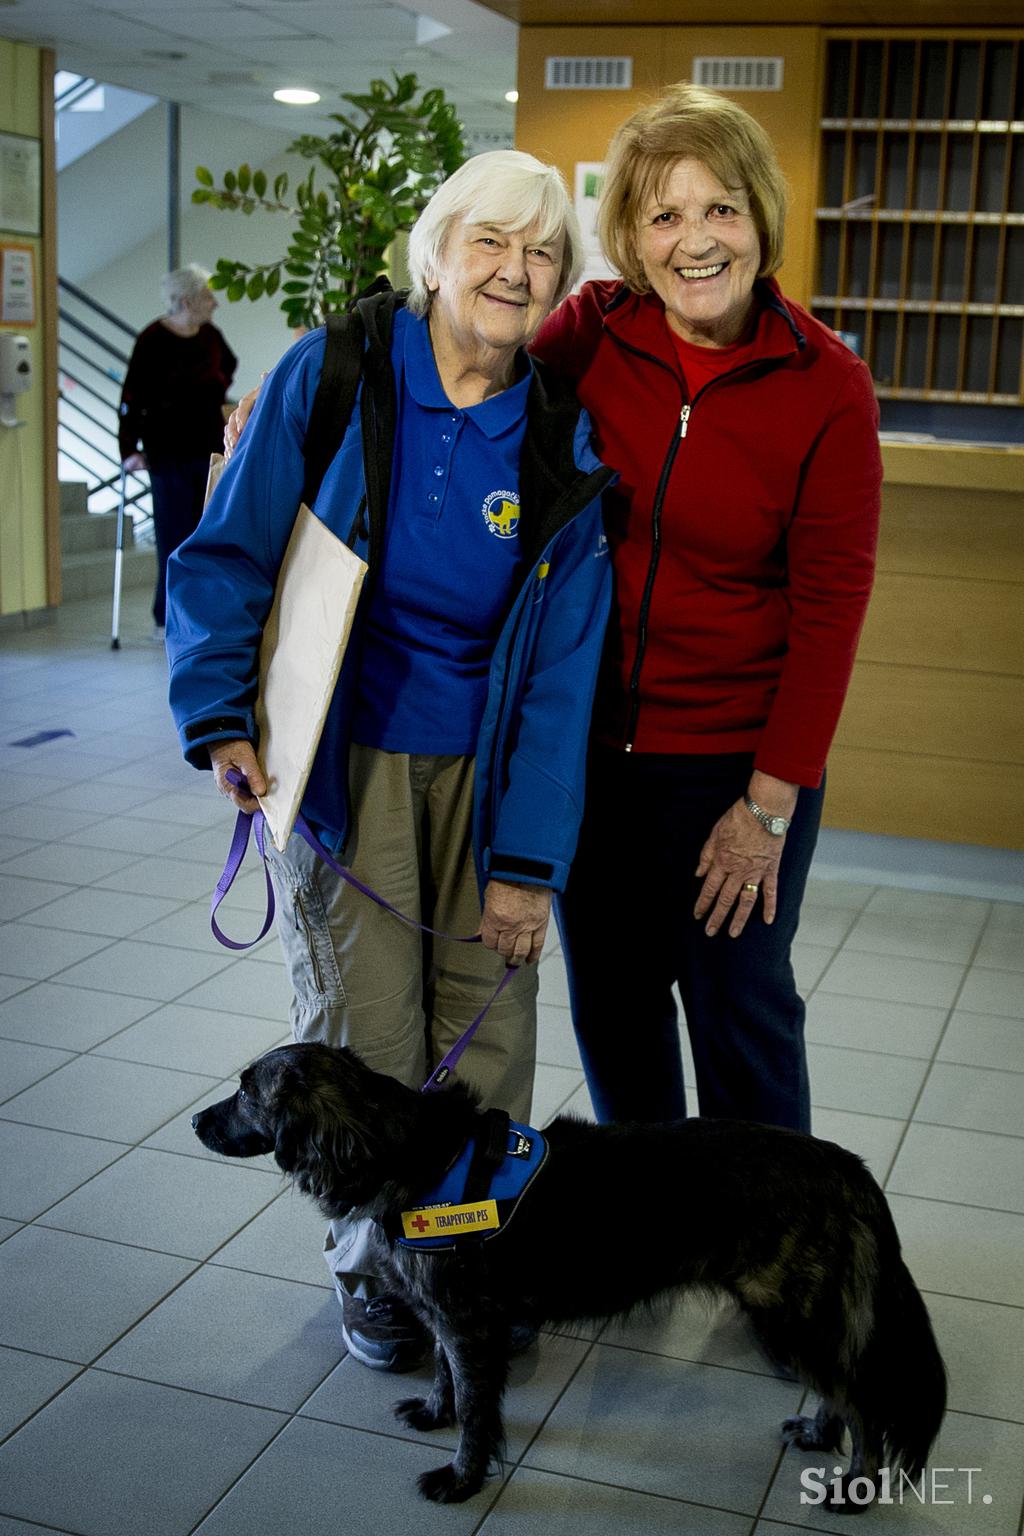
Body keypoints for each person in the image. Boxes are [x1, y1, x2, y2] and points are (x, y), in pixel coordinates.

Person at [225, 85, 881, 1138]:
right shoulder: (590, 333)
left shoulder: (826, 386)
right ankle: (652, 1226)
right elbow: (461, 330)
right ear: (629, 239)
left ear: (760, 218)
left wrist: (767, 805)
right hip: (586, 750)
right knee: (615, 1011)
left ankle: (770, 1235)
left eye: (720, 209)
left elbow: (832, 609)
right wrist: (303, 371)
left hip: (729, 763)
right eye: (663, 216)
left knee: (739, 1006)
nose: (695, 241)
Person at [165, 151, 613, 1372]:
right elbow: (226, 556)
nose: (515, 273)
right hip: (343, 752)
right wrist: (220, 714)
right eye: (490, 243)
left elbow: (564, 675)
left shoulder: (561, 435)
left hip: (488, 777)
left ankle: (472, 1265)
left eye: (541, 255)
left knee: (487, 1036)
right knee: (367, 1047)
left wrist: (527, 861)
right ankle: (375, 1277)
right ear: (436, 249)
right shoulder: (340, 372)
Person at [118, 265, 236, 637]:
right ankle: (165, 616)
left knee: (206, 530)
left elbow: (227, 369)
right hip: (167, 451)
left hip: (207, 446)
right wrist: (127, 449)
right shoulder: (152, 340)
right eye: (207, 297)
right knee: (173, 535)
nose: (214, 304)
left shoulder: (211, 337)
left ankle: (199, 613)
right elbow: (131, 398)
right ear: (186, 301)